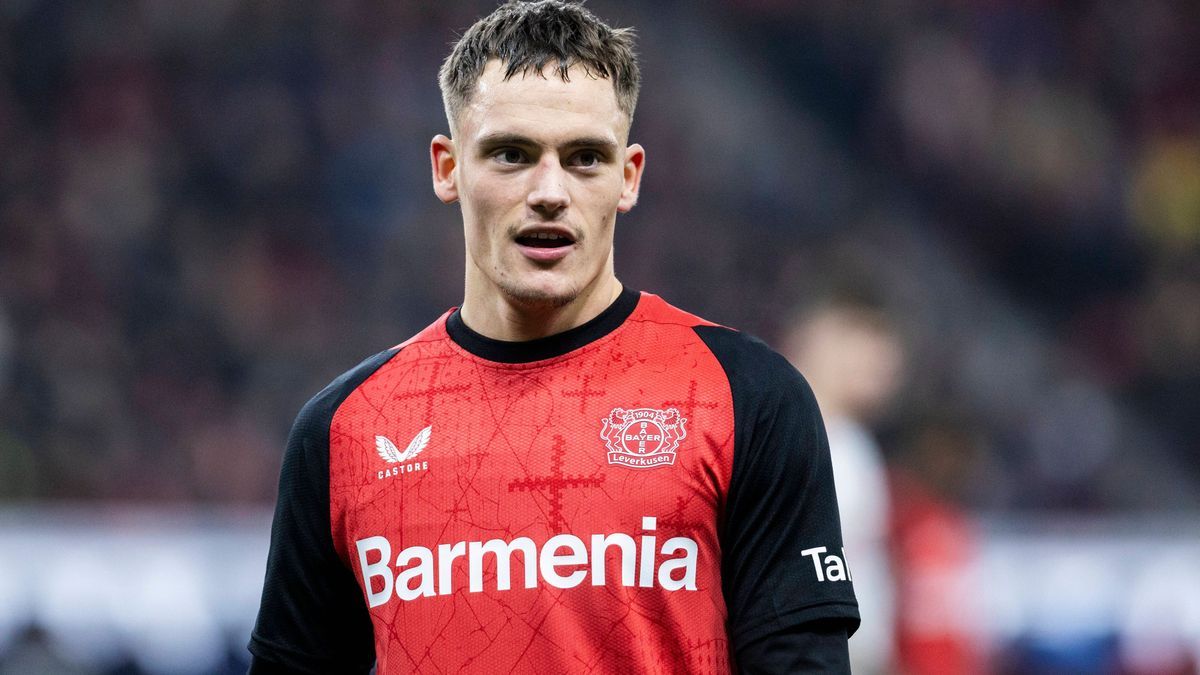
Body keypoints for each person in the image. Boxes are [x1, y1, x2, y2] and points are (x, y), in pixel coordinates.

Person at [247, 2, 858, 673]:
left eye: (585, 158)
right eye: (511, 153)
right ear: (447, 167)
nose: (548, 191)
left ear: (628, 177)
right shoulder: (344, 432)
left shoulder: (748, 399)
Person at [784, 296, 906, 674]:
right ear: (818, 341)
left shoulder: (852, 441)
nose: (885, 359)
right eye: (866, 338)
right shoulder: (786, 437)